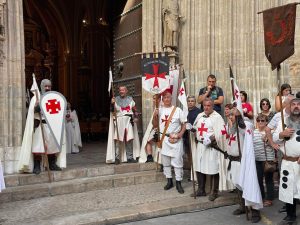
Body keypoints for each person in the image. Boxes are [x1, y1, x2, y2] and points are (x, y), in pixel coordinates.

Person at [18, 79, 67, 174]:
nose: (48, 88)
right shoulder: (36, 98)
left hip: (51, 126)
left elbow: (58, 111)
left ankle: (52, 164)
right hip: (39, 124)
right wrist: (37, 108)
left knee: (53, 145)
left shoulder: (53, 97)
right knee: (38, 146)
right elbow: (31, 112)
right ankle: (37, 166)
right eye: (46, 86)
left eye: (49, 86)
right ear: (41, 86)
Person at [191, 98, 228, 200]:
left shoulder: (217, 117)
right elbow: (195, 128)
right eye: (204, 105)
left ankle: (214, 192)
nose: (206, 107)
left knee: (213, 169)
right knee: (199, 168)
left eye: (208, 105)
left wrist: (211, 138)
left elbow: (222, 133)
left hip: (212, 147)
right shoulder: (200, 116)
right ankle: (201, 190)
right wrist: (192, 130)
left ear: (212, 106)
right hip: (200, 146)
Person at [152, 90, 186, 194]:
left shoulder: (178, 110)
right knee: (166, 162)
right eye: (165, 97)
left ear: (172, 98)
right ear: (162, 99)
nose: (167, 99)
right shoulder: (159, 110)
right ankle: (169, 181)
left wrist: (180, 135)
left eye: (169, 97)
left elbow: (184, 124)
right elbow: (154, 125)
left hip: (176, 140)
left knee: (177, 162)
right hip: (164, 139)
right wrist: (155, 115)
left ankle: (179, 183)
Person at [273, 97, 300, 225]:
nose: (296, 106)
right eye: (293, 104)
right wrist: (281, 134)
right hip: (288, 162)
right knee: (289, 189)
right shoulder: (282, 122)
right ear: (289, 107)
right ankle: (290, 215)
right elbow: (273, 138)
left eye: (298, 105)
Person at [106, 86, 140, 164]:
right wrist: (112, 104)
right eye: (120, 90)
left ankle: (130, 157)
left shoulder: (130, 99)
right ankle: (117, 158)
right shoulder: (115, 100)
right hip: (119, 121)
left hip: (128, 121)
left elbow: (135, 110)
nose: (121, 91)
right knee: (118, 139)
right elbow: (111, 111)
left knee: (129, 139)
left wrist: (136, 117)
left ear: (126, 91)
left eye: (123, 90)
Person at [253, 114, 275, 208]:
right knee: (258, 180)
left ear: (266, 122)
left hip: (268, 159)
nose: (260, 122)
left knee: (269, 179)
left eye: (263, 120)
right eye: (258, 121)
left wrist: (267, 139)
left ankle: (269, 199)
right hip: (257, 159)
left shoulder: (271, 132)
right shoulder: (254, 132)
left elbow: (274, 145)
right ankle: (261, 197)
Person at [139, 95, 162, 163]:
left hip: (160, 129)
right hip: (155, 128)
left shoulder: (161, 107)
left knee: (156, 143)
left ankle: (158, 159)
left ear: (159, 99)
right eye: (153, 99)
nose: (153, 100)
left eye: (155, 99)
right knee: (147, 140)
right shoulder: (156, 107)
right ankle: (150, 156)